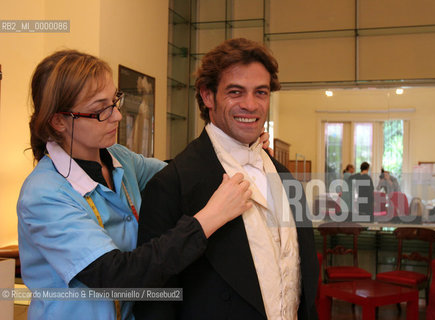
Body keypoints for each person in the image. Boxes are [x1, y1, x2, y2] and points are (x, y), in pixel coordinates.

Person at [17, 50, 263, 320]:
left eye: (115, 101)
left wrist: (237, 151)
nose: (117, 117)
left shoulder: (120, 159)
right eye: (101, 110)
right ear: (59, 120)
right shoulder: (44, 194)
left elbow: (179, 175)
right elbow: (116, 276)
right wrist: (208, 220)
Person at [135, 38, 319, 320]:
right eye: (236, 92)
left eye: (261, 92)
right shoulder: (171, 184)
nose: (251, 105)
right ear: (208, 96)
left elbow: (298, 275)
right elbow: (154, 299)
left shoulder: (284, 176)